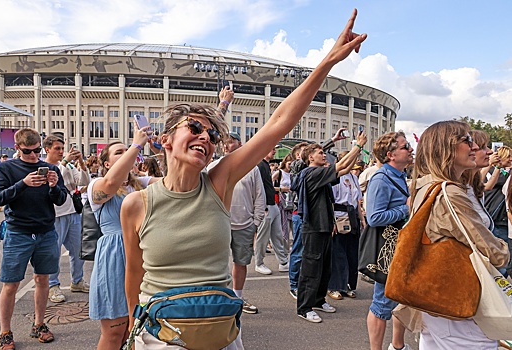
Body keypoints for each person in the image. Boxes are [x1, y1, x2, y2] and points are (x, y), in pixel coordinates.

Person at [122, 9, 367, 348]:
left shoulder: (220, 182)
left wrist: (326, 63)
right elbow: (133, 274)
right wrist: (133, 326)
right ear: (165, 140)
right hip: (161, 336)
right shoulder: (136, 204)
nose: (206, 138)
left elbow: (278, 123)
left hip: (219, 330)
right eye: (194, 128)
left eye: (211, 134)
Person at [402, 120, 509, 349]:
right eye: (466, 140)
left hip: (439, 294)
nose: (474, 147)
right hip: (458, 297)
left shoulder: (429, 185)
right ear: (446, 148)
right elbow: (490, 250)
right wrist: (503, 248)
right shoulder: (449, 191)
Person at [0, 128, 68, 349]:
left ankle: (39, 324)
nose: (34, 157)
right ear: (17, 148)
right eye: (28, 152)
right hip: (18, 232)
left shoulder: (51, 169)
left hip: (45, 232)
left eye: (37, 151)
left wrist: (54, 186)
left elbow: (61, 200)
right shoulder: (6, 168)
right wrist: (23, 183)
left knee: (43, 280)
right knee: (11, 284)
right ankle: (5, 332)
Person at [87, 133, 159, 349]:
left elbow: (174, 181)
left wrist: (160, 152)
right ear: (106, 163)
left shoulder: (142, 184)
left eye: (127, 150)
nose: (127, 153)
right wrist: (137, 144)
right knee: (115, 332)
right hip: (115, 258)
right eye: (120, 152)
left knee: (139, 328)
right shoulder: (96, 185)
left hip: (144, 255)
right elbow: (110, 183)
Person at [293, 133, 366, 323]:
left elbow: (344, 170)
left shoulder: (320, 173)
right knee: (311, 268)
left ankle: (318, 300)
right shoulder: (312, 173)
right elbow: (340, 166)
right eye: (320, 153)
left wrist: (355, 153)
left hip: (325, 226)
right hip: (314, 228)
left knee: (325, 267)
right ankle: (304, 307)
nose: (324, 155)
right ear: (310, 157)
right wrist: (357, 146)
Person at [208, 131, 266, 314]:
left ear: (240, 144)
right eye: (224, 142)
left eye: (231, 142)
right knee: (217, 265)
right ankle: (218, 299)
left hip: (244, 225)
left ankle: (237, 298)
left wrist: (255, 222)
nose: (226, 145)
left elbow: (259, 196)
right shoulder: (213, 166)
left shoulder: (252, 168)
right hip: (220, 224)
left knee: (241, 263)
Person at [365, 131, 413, 350]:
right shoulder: (381, 178)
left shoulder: (400, 175)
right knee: (382, 303)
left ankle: (397, 345)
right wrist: (406, 208)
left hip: (401, 246)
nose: (411, 149)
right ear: (390, 154)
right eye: (405, 147)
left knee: (400, 299)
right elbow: (374, 217)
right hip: (388, 249)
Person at [43, 136, 91, 303]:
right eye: (57, 148)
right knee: (54, 252)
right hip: (55, 214)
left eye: (62, 148)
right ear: (47, 149)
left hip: (73, 213)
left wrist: (81, 163)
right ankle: (53, 285)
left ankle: (77, 281)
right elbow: (57, 181)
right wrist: (63, 162)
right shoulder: (44, 167)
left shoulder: (69, 165)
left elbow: (84, 181)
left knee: (79, 250)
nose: (61, 152)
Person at [327, 151, 365, 301]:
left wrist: (362, 218)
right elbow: (330, 201)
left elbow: (357, 202)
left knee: (351, 254)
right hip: (339, 216)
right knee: (338, 254)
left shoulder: (354, 178)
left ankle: (348, 284)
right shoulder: (336, 177)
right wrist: (332, 222)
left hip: (352, 216)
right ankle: (334, 286)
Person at [255, 147, 289, 275]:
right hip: (266, 206)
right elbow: (258, 187)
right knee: (263, 238)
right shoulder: (260, 165)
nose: (274, 151)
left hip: (271, 205)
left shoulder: (264, 165)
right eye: (272, 149)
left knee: (277, 235)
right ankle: (259, 263)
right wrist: (261, 207)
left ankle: (283, 262)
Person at [288, 142, 309, 299]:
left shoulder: (311, 169)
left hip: (310, 214)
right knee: (298, 250)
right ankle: (294, 284)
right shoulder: (296, 166)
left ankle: (304, 282)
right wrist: (331, 142)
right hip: (299, 213)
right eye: (305, 151)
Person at [272, 153, 294, 251]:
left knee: (292, 225)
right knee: (284, 226)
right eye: (289, 164)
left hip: (291, 201)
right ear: (285, 163)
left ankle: (289, 247)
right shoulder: (279, 173)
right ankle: (284, 249)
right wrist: (282, 189)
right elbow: (269, 186)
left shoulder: (293, 174)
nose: (290, 167)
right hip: (282, 202)